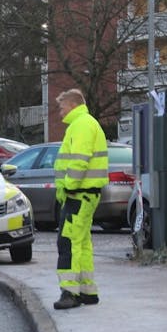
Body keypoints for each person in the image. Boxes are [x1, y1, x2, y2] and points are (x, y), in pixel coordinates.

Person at [52, 89, 109, 310]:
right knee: (81, 243)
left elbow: (79, 161)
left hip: (78, 194)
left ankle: (70, 292)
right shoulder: (85, 123)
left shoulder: (82, 125)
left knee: (67, 242)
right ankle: (87, 290)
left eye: (62, 107)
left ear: (74, 105)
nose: (60, 112)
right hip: (85, 194)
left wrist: (68, 186)